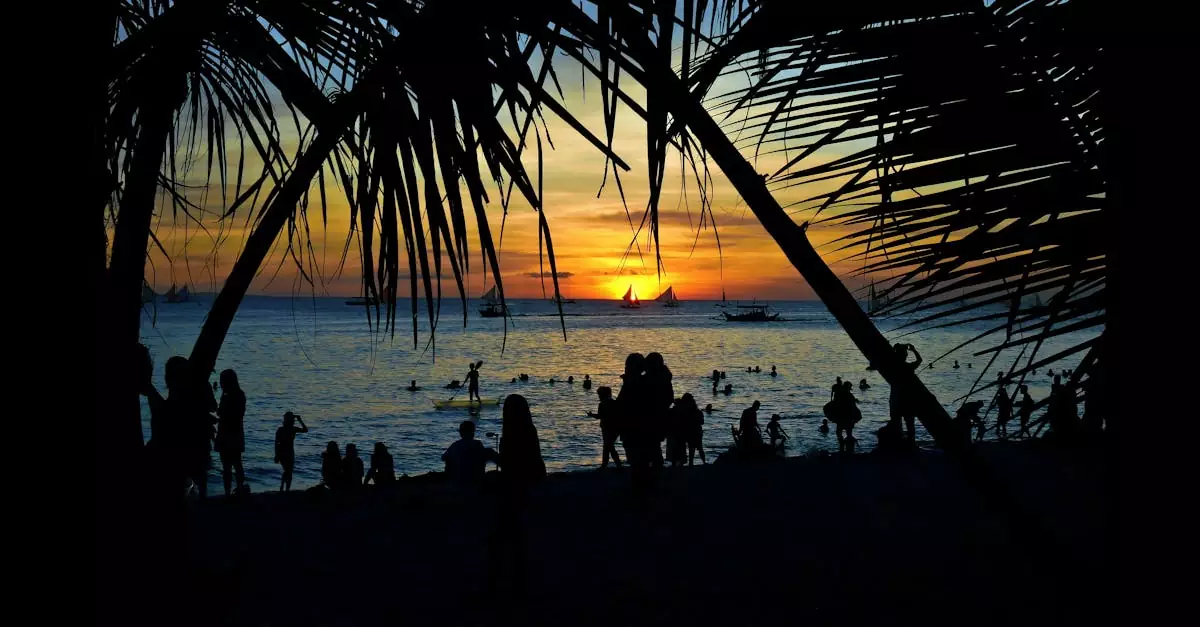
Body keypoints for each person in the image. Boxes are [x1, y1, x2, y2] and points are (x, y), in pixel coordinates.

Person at [488, 394, 545, 598]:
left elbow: (511, 463)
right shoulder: (529, 430)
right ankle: (518, 583)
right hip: (522, 487)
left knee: (503, 538)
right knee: (515, 538)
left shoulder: (514, 434)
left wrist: (492, 456)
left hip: (512, 488)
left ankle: (502, 585)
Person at [215, 369, 246, 497]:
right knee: (237, 463)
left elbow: (221, 413)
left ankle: (228, 491)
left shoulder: (228, 396)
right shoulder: (239, 394)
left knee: (227, 465)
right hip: (236, 432)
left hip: (227, 433)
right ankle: (238, 488)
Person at [888, 343, 923, 444]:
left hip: (895, 399)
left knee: (896, 424)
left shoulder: (891, 367)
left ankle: (898, 444)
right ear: (905, 355)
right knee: (910, 424)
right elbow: (920, 360)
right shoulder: (908, 367)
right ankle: (911, 443)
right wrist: (914, 350)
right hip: (907, 399)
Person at [442, 420, 498, 486]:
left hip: (455, 481)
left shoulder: (455, 445)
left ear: (461, 433)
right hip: (474, 482)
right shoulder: (478, 444)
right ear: (473, 432)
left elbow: (444, 457)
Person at [644, 352, 674, 469]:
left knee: (651, 447)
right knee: (654, 447)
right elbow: (670, 399)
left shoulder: (654, 379)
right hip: (660, 418)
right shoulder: (665, 379)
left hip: (653, 418)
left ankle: (653, 476)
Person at [589, 386, 622, 469]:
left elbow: (599, 416)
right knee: (608, 446)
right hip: (616, 428)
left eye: (599, 395)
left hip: (607, 428)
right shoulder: (614, 403)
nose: (599, 396)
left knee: (608, 446)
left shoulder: (602, 404)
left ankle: (615, 464)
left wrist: (591, 415)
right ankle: (608, 464)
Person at [274, 412, 307, 491]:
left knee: (288, 471)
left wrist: (300, 420)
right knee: (288, 471)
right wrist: (277, 455)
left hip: (288, 453)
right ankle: (284, 487)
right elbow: (276, 443)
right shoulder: (284, 429)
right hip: (285, 453)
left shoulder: (290, 429)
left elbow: (305, 430)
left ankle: (284, 487)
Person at [674, 393, 706, 465]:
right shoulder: (695, 411)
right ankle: (703, 462)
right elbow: (702, 422)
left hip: (690, 431)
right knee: (698, 447)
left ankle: (691, 463)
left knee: (692, 448)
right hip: (694, 431)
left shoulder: (684, 410)